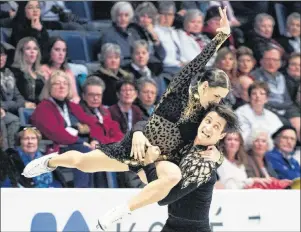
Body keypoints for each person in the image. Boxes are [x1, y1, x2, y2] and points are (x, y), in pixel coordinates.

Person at [23, 6, 231, 229]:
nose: (218, 101)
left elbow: (212, 140)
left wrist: (216, 156)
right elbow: (196, 64)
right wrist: (221, 36)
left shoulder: (206, 116)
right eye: (217, 95)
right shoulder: (181, 88)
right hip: (134, 148)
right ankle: (49, 161)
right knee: (82, 162)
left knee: (173, 176)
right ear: (206, 86)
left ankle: (120, 211)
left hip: (158, 159)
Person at [139, 104, 240, 232]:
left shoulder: (204, 162)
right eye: (208, 121)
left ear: (222, 135)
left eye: (216, 127)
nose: (208, 128)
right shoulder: (187, 144)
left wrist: (149, 163)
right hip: (172, 224)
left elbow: (163, 198)